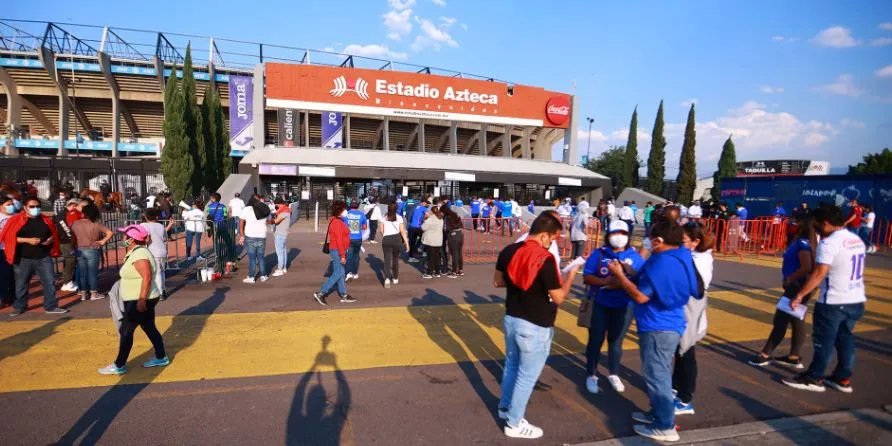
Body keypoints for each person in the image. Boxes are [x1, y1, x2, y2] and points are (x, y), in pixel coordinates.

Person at [605, 220, 702, 442]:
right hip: (671, 322)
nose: (648, 243)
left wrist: (620, 277)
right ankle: (657, 413)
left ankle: (665, 425)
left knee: (656, 375)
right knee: (660, 373)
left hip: (658, 325)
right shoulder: (681, 256)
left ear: (659, 241)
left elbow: (641, 295)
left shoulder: (661, 264)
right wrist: (629, 271)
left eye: (651, 239)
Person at [495, 212, 582, 439]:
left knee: (512, 367)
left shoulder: (509, 251)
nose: (551, 243)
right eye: (552, 239)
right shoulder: (545, 259)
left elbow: (498, 281)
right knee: (526, 376)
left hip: (512, 318)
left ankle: (505, 408)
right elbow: (559, 297)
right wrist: (571, 276)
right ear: (544, 235)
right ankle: (514, 423)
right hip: (536, 325)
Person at [782, 205, 867, 393]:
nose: (816, 229)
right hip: (855, 298)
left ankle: (814, 377)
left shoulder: (829, 243)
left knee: (824, 341)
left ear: (826, 224)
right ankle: (842, 378)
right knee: (845, 339)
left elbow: (818, 274)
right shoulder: (855, 239)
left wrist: (800, 295)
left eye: (817, 225)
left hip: (833, 301)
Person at [583, 220, 644, 394]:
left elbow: (640, 280)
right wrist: (605, 282)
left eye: (623, 234)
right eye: (615, 233)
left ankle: (614, 373)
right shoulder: (600, 254)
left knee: (616, 341)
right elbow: (587, 276)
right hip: (600, 303)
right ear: (608, 235)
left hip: (624, 306)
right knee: (595, 339)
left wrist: (621, 281)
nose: (619, 237)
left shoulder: (634, 256)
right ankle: (591, 374)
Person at [98, 224, 168, 375]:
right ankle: (161, 356)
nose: (123, 238)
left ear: (132, 240)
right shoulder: (136, 252)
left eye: (125, 236)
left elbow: (147, 277)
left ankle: (119, 364)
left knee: (126, 330)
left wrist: (141, 300)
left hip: (139, 299)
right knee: (149, 327)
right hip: (141, 298)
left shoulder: (140, 254)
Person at [748, 214, 817, 369]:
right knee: (796, 320)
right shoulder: (799, 242)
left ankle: (765, 354)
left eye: (795, 222)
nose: (791, 224)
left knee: (781, 320)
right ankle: (793, 356)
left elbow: (806, 267)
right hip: (796, 284)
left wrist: (790, 278)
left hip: (797, 285)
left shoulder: (803, 244)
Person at [672, 221, 715, 416]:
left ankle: (685, 399)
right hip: (685, 308)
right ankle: (676, 387)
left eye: (683, 240)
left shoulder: (699, 259)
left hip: (690, 307)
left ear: (695, 241)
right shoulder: (692, 256)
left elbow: (696, 288)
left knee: (686, 352)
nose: (679, 244)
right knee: (680, 352)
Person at [1, 197, 69, 316]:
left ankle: (51, 306)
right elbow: (9, 237)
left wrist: (50, 240)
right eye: (32, 207)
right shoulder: (16, 220)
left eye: (38, 206)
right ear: (25, 208)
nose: (35, 209)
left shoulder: (45, 220)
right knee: (21, 284)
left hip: (43, 257)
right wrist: (27, 240)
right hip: (22, 258)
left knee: (49, 282)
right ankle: (20, 306)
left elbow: (53, 234)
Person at [314, 201, 356, 305]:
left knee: (341, 274)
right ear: (340, 210)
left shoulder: (338, 221)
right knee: (338, 273)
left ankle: (343, 294)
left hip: (337, 250)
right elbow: (339, 241)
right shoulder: (337, 223)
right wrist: (342, 255)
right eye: (344, 209)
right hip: (337, 251)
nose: (346, 211)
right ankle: (321, 293)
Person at [71, 203, 113, 302]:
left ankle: (83, 294)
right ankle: (93, 293)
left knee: (82, 273)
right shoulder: (96, 224)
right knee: (92, 272)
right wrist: (102, 241)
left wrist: (73, 248)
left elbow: (72, 238)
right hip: (93, 249)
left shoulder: (75, 223)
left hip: (80, 249)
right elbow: (110, 233)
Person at [141, 208, 174, 300]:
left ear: (146, 217)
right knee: (162, 272)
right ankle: (162, 290)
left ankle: (160, 293)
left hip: (153, 252)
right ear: (156, 216)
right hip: (163, 252)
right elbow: (164, 234)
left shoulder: (143, 225)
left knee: (157, 273)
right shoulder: (160, 226)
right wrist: (170, 225)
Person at [238, 196, 270, 284]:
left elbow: (241, 224)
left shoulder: (246, 209)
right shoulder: (263, 208)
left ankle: (251, 277)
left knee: (252, 258)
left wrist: (242, 235)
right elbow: (268, 220)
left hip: (250, 235)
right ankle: (263, 276)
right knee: (261, 257)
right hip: (262, 235)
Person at [379, 202, 410, 288]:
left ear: (388, 208)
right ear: (396, 209)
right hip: (397, 239)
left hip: (386, 239)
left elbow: (381, 230)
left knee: (387, 260)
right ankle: (395, 278)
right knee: (395, 259)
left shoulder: (383, 217)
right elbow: (403, 231)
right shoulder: (399, 218)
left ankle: (387, 279)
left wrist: (385, 236)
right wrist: (407, 243)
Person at [57, 198, 82, 292]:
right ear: (73, 205)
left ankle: (71, 280)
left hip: (68, 240)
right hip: (66, 241)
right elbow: (67, 229)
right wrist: (73, 238)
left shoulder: (65, 213)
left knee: (71, 260)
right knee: (70, 261)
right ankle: (67, 282)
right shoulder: (62, 214)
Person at [206, 193, 235, 273]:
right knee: (228, 242)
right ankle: (230, 260)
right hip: (222, 226)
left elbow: (208, 216)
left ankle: (217, 258)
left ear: (214, 198)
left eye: (211, 198)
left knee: (216, 243)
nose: (210, 199)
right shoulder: (223, 207)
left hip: (214, 227)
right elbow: (225, 215)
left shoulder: (209, 207)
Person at [343, 201, 368, 281]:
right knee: (356, 255)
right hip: (358, 238)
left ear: (350, 206)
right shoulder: (362, 214)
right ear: (358, 206)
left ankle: (347, 272)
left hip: (348, 238)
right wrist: (357, 227)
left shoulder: (346, 214)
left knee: (348, 256)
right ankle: (355, 273)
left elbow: (342, 225)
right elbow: (364, 227)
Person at [0, 195, 17, 308]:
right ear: (1, 207)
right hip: (2, 250)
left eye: (12, 204)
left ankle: (13, 298)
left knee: (15, 275)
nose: (11, 207)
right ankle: (3, 297)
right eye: (8, 205)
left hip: (16, 250)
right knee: (3, 275)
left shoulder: (17, 217)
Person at [421, 206, 445, 279]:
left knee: (430, 257)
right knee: (437, 257)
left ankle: (429, 273)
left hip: (430, 240)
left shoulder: (430, 219)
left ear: (431, 211)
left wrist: (425, 219)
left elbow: (423, 228)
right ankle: (437, 272)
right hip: (438, 240)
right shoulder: (440, 218)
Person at [271, 197, 292, 277]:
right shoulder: (287, 210)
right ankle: (284, 268)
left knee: (279, 253)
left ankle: (280, 270)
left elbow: (276, 221)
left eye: (276, 205)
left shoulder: (283, 211)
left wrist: (269, 220)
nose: (276, 207)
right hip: (284, 233)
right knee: (283, 251)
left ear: (278, 204)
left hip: (279, 234)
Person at [442, 205, 464, 278]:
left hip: (452, 235)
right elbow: (460, 224)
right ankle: (460, 270)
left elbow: (446, 228)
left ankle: (454, 272)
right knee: (459, 252)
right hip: (460, 234)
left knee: (454, 254)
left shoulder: (447, 217)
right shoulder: (455, 214)